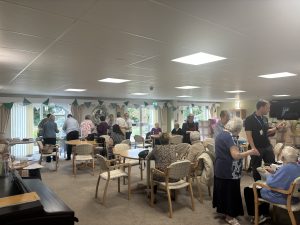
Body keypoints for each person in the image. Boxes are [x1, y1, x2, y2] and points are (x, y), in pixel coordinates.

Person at [213, 118, 260, 225]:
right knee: (230, 193)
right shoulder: (229, 137)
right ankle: (229, 217)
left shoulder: (221, 134)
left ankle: (225, 212)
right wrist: (250, 152)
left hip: (221, 168)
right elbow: (236, 155)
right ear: (237, 129)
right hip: (229, 170)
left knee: (224, 192)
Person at [244, 146, 300, 223]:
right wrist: (275, 173)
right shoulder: (297, 166)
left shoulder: (286, 168)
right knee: (259, 188)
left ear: (283, 157)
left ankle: (259, 216)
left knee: (249, 190)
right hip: (295, 198)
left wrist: (267, 174)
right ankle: (265, 213)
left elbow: (271, 183)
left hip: (285, 198)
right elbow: (284, 177)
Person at [245, 99, 286, 181]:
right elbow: (249, 136)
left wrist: (277, 128)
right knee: (256, 168)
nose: (269, 110)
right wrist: (253, 148)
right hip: (256, 147)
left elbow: (266, 132)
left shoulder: (265, 119)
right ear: (261, 107)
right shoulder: (249, 119)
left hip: (267, 146)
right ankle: (257, 187)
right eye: (268, 108)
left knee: (272, 165)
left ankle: (271, 183)